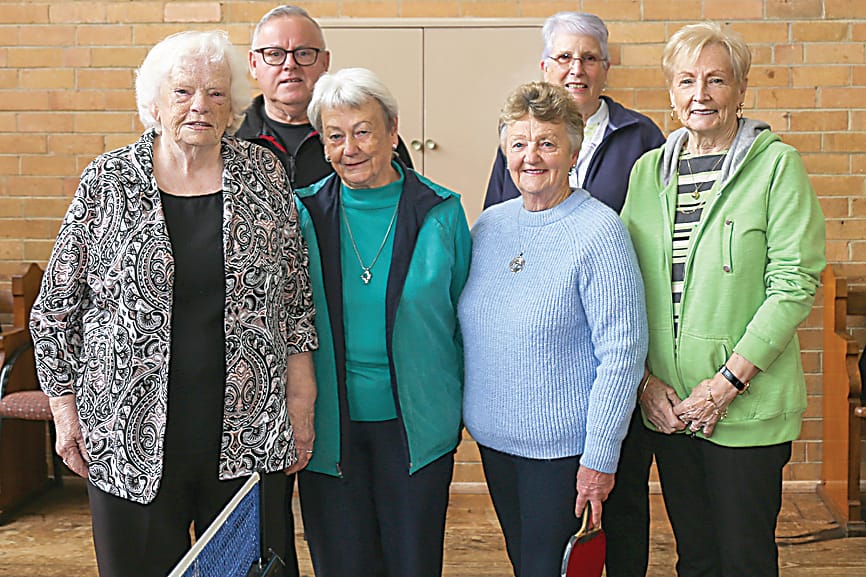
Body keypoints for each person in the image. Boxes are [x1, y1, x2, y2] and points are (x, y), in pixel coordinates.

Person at [28, 31, 318, 577]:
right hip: (126, 432)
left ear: (232, 104)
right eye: (183, 91)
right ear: (154, 103)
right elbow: (55, 310)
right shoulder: (108, 181)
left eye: (214, 92)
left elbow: (295, 301)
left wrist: (302, 399)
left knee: (252, 570)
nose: (199, 106)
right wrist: (65, 413)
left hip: (246, 430)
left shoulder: (264, 177)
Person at [621, 22, 826, 577]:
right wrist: (644, 383)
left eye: (716, 80)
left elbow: (793, 284)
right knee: (697, 558)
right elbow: (622, 289)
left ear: (740, 89)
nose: (700, 94)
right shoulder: (647, 174)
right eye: (686, 80)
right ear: (670, 92)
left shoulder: (777, 166)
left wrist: (728, 383)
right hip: (672, 408)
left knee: (744, 559)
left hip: (743, 403)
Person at [484, 13, 664, 576]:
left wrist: (600, 457)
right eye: (519, 143)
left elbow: (621, 353)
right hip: (497, 443)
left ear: (572, 151)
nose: (531, 156)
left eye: (547, 143)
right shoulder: (490, 225)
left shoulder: (599, 230)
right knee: (526, 564)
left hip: (561, 449)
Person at [293, 67, 470, 577]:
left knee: (412, 562)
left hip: (417, 423)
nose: (350, 147)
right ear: (322, 144)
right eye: (334, 135)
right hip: (329, 427)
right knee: (342, 563)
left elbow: (461, 314)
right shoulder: (303, 214)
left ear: (393, 131)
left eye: (363, 131)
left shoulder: (441, 211)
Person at [484, 12, 664, 214]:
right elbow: (494, 215)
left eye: (589, 58)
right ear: (545, 68)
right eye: (565, 57)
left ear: (605, 69)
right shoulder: (519, 135)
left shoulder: (641, 136)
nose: (577, 69)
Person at [238, 4, 413, 190]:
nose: (290, 64)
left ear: (325, 62)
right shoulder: (228, 137)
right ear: (253, 64)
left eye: (304, 53)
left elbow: (408, 203)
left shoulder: (369, 136)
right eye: (274, 54)